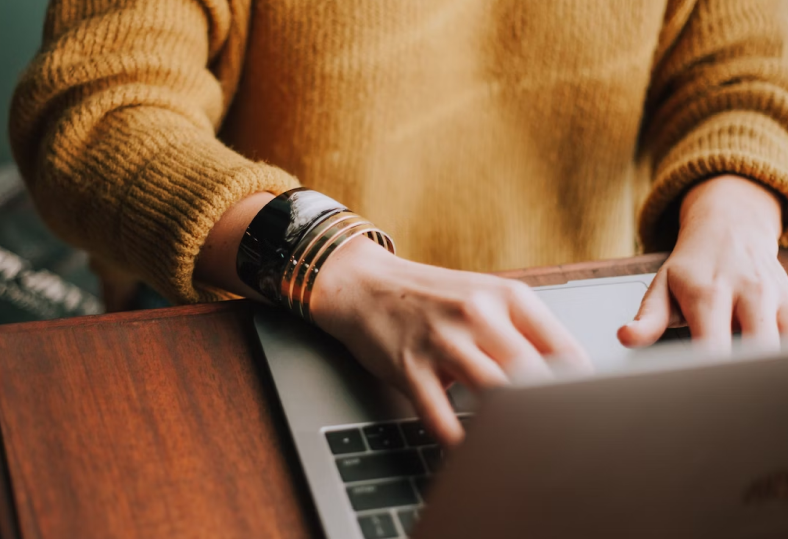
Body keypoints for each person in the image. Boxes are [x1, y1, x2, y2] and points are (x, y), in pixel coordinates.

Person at [9, 0, 788, 446]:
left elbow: (751, 67)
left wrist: (737, 205)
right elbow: (96, 110)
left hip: (583, 339)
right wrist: (336, 265)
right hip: (262, 320)